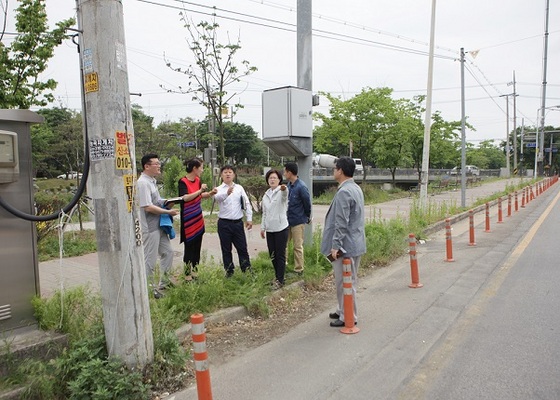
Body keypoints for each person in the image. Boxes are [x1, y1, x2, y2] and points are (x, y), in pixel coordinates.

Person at [321, 156, 366, 327]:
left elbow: (341, 222)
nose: (333, 171)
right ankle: (342, 309)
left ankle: (348, 316)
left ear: (340, 170)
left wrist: (336, 245)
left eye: (334, 168)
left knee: (345, 282)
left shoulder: (344, 192)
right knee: (347, 281)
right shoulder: (355, 188)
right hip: (355, 243)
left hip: (345, 246)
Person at [137, 153, 180, 298]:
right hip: (149, 227)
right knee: (149, 259)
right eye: (156, 164)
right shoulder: (142, 183)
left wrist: (167, 202)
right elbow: (147, 206)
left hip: (158, 226)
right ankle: (148, 290)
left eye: (159, 163)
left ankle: (165, 282)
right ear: (146, 166)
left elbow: (156, 200)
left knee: (167, 252)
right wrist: (168, 212)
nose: (159, 165)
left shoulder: (151, 181)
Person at [178, 158, 217, 281]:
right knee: (189, 247)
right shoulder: (183, 181)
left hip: (198, 218)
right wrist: (200, 191)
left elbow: (199, 196)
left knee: (197, 246)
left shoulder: (198, 180)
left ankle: (195, 272)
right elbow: (185, 198)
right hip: (188, 219)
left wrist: (210, 193)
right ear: (194, 168)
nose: (202, 169)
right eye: (201, 167)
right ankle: (187, 274)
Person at [214, 165, 253, 277]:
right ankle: (229, 271)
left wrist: (249, 218)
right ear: (221, 175)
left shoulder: (239, 188)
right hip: (224, 224)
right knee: (226, 249)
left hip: (237, 223)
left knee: (242, 248)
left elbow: (246, 203)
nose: (228, 174)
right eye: (225, 172)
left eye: (230, 172)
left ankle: (247, 270)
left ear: (234, 175)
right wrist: (227, 193)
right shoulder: (219, 189)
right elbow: (217, 198)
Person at [260, 169, 289, 289]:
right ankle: (277, 276)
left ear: (279, 180)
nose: (272, 180)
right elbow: (264, 213)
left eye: (274, 178)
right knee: (272, 254)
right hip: (270, 229)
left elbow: (285, 194)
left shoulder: (281, 191)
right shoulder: (266, 195)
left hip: (281, 228)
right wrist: (263, 227)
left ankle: (280, 279)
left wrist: (284, 189)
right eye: (270, 178)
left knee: (280, 254)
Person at [283, 162, 312, 274]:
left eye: (285, 171)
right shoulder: (288, 185)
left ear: (290, 172)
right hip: (287, 220)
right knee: (284, 245)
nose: (284, 173)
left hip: (298, 221)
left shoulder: (301, 187)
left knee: (297, 246)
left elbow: (307, 204)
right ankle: (283, 266)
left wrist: (306, 217)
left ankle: (299, 269)